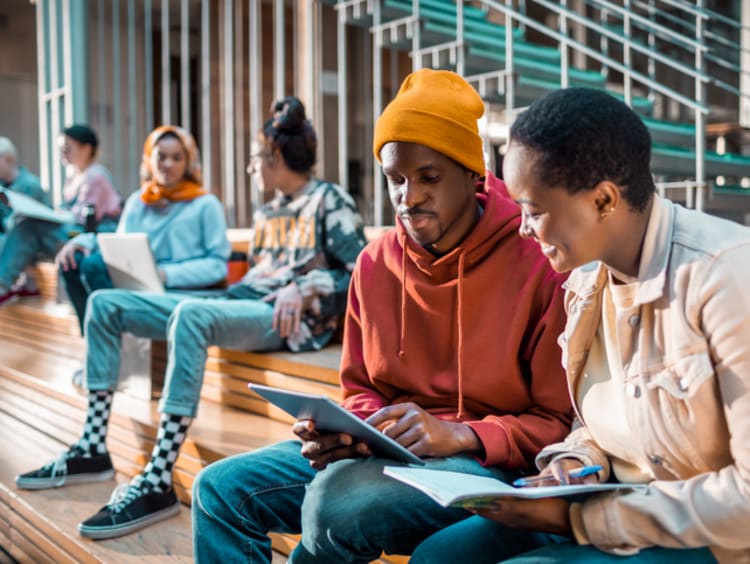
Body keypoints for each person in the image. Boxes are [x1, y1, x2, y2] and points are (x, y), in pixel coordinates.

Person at [190, 69, 572, 563]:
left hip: (488, 464)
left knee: (337, 505)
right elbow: (361, 387)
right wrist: (354, 433)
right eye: (395, 179)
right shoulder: (374, 263)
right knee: (218, 490)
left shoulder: (539, 262)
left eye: (429, 178)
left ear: (473, 173)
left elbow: (557, 422)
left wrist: (462, 433)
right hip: (386, 456)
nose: (408, 198)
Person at [409, 87, 747, 563]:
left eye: (535, 210)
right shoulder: (586, 279)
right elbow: (606, 420)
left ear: (604, 201)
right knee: (437, 557)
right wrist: (574, 461)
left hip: (712, 536)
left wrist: (581, 520)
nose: (523, 228)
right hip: (606, 507)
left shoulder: (725, 277)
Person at [15, 96, 368, 541]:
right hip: (244, 302)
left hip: (283, 322)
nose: (250, 167)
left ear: (276, 158)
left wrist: (306, 286)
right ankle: (92, 446)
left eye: (256, 158)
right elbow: (257, 274)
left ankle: (159, 476)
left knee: (190, 314)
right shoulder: (269, 210)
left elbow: (362, 272)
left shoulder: (328, 199)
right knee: (107, 302)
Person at [56, 125, 228, 334]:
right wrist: (81, 241)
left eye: (177, 158)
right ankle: (93, 338)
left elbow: (218, 266)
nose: (167, 164)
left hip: (179, 288)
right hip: (138, 282)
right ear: (149, 160)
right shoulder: (139, 201)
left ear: (188, 162)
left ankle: (109, 337)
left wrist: (165, 274)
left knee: (96, 276)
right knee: (74, 263)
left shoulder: (205, 204)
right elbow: (120, 244)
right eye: (161, 157)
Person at [0, 125, 121, 305]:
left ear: (86, 148)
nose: (62, 154)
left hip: (86, 236)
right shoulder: (74, 176)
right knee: (26, 227)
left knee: (29, 227)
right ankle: (25, 283)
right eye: (61, 149)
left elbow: (82, 220)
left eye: (67, 149)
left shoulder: (95, 176)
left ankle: (3, 285)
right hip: (73, 232)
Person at [0, 136, 50, 297]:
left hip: (38, 240)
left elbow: (23, 222)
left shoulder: (29, 185)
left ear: (7, 159)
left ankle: (4, 285)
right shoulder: (4, 186)